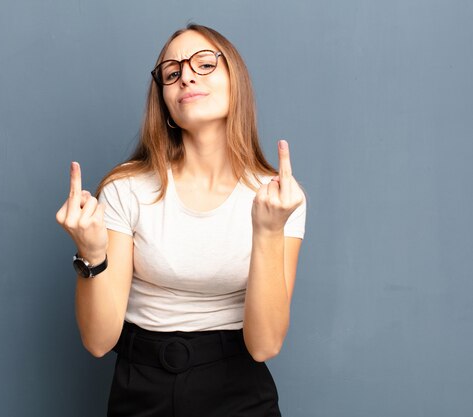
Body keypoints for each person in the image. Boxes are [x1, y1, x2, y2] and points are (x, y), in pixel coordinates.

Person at [56, 23, 306, 417]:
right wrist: (91, 253)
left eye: (204, 64)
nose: (186, 74)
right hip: (142, 383)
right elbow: (99, 342)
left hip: (239, 384)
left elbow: (264, 345)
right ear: (166, 102)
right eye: (171, 73)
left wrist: (269, 230)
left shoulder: (278, 197)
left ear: (234, 81)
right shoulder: (127, 188)